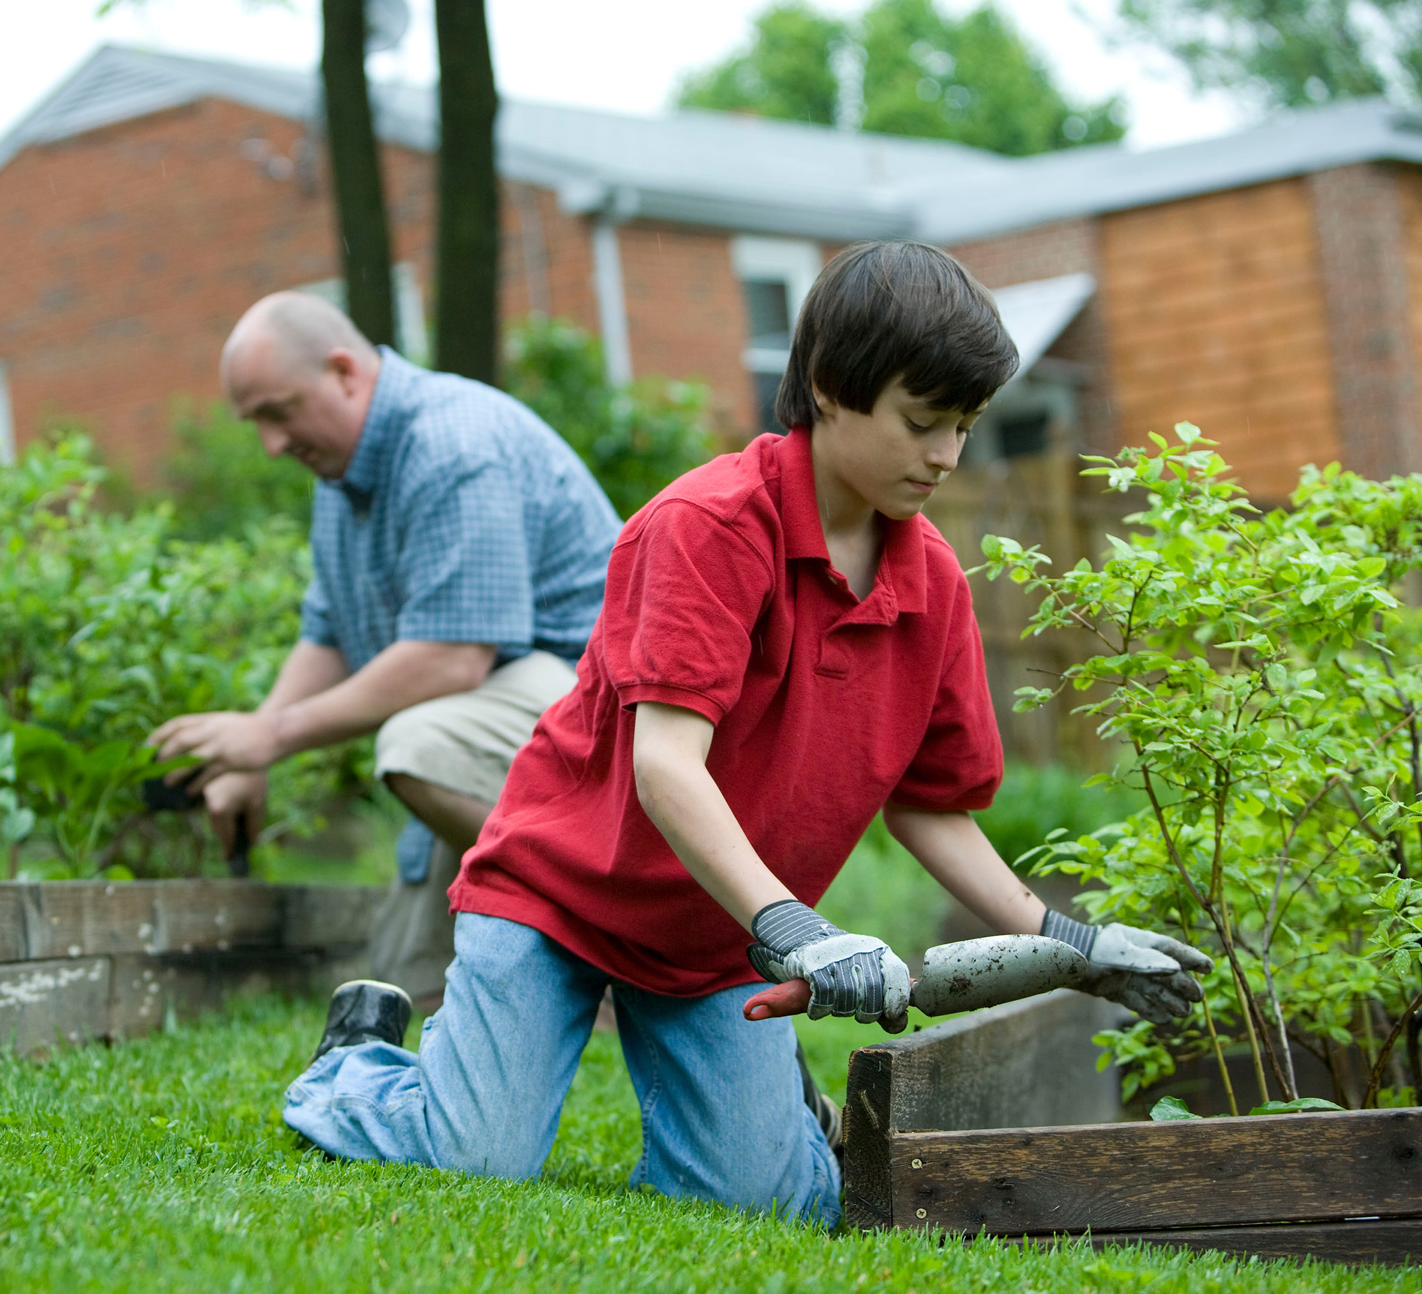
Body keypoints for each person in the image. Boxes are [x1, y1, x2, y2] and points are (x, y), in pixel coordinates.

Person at [280, 242, 1212, 1223]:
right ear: (827, 388)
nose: (947, 455)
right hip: (559, 897)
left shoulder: (930, 582)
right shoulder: (709, 527)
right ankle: (359, 1061)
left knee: (762, 1202)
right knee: (474, 1158)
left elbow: (932, 811)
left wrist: (1074, 941)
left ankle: (776, 1119)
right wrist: (800, 930)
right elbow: (667, 767)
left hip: (720, 935)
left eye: (964, 427)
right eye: (922, 421)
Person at [148, 292, 622, 1008]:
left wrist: (272, 736)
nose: (272, 445)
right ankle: (557, 956)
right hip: (502, 731)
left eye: (278, 412)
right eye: (256, 425)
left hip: (606, 727)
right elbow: (330, 633)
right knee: (401, 986)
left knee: (419, 744)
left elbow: (452, 657)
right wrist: (247, 753)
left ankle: (620, 931)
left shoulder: (451, 444)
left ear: (344, 371)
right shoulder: (342, 478)